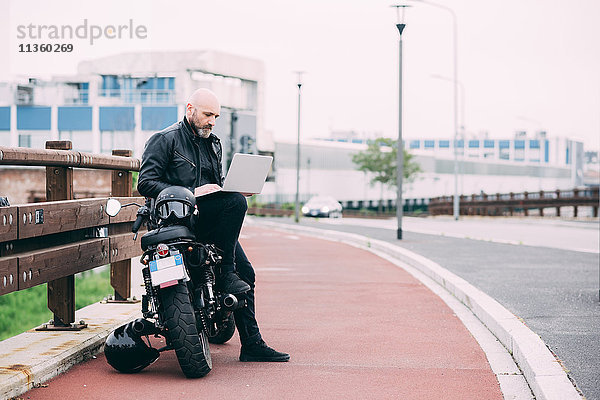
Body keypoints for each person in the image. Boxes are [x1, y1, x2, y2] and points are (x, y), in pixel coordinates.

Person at [137, 88, 289, 362]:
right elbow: (145, 183)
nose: (212, 121)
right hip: (177, 217)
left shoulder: (213, 142)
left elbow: (215, 184)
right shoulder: (164, 139)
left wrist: (229, 190)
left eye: (216, 116)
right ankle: (226, 273)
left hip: (206, 215)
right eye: (208, 114)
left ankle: (252, 344)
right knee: (236, 207)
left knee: (247, 273)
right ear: (190, 109)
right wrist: (189, 192)